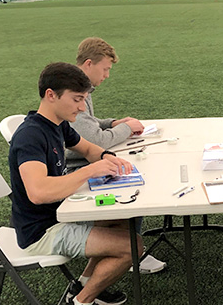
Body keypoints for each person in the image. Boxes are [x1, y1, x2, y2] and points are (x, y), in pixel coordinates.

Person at [9, 62, 143, 305]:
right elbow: (38, 192)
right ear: (51, 95)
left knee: (122, 219)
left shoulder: (57, 124)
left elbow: (89, 149)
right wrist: (91, 171)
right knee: (132, 247)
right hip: (41, 231)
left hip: (62, 213)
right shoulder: (30, 137)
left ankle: (81, 286)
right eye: (77, 99)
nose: (82, 107)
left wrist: (106, 157)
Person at [66, 37, 166, 274]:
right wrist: (126, 128)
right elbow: (95, 140)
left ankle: (128, 243)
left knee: (130, 170)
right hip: (75, 169)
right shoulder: (73, 92)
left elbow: (88, 125)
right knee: (131, 177)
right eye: (105, 69)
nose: (107, 75)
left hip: (83, 161)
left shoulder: (79, 89)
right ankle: (129, 250)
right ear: (88, 64)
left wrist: (112, 122)